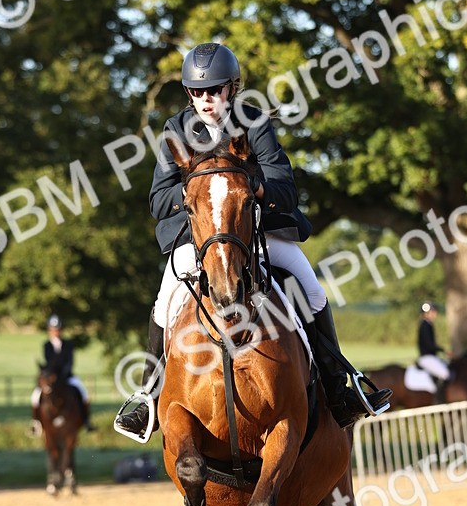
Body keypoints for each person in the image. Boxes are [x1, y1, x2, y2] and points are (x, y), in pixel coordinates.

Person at [114, 41, 392, 442]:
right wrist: (201, 191)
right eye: (197, 92)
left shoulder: (254, 121)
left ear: (232, 87)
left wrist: (250, 188)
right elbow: (159, 199)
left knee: (311, 289)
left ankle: (338, 388)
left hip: (257, 231)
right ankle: (148, 396)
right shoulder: (176, 129)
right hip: (202, 235)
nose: (206, 99)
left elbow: (284, 186)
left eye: (214, 90)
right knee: (164, 301)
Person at [30, 315, 94, 433]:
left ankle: (86, 421)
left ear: (61, 330)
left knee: (84, 393)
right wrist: (52, 376)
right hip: (52, 378)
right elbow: (49, 363)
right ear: (49, 330)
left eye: (57, 329)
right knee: (35, 396)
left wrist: (63, 375)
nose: (55, 332)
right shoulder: (47, 346)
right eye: (53, 330)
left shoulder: (68, 344)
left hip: (67, 376)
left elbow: (70, 362)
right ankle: (36, 423)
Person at [417, 302, 451, 383]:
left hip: (431, 357)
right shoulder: (425, 325)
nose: (435, 314)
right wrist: (444, 350)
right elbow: (429, 345)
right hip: (427, 358)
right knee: (445, 374)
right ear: (426, 313)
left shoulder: (428, 324)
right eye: (433, 312)